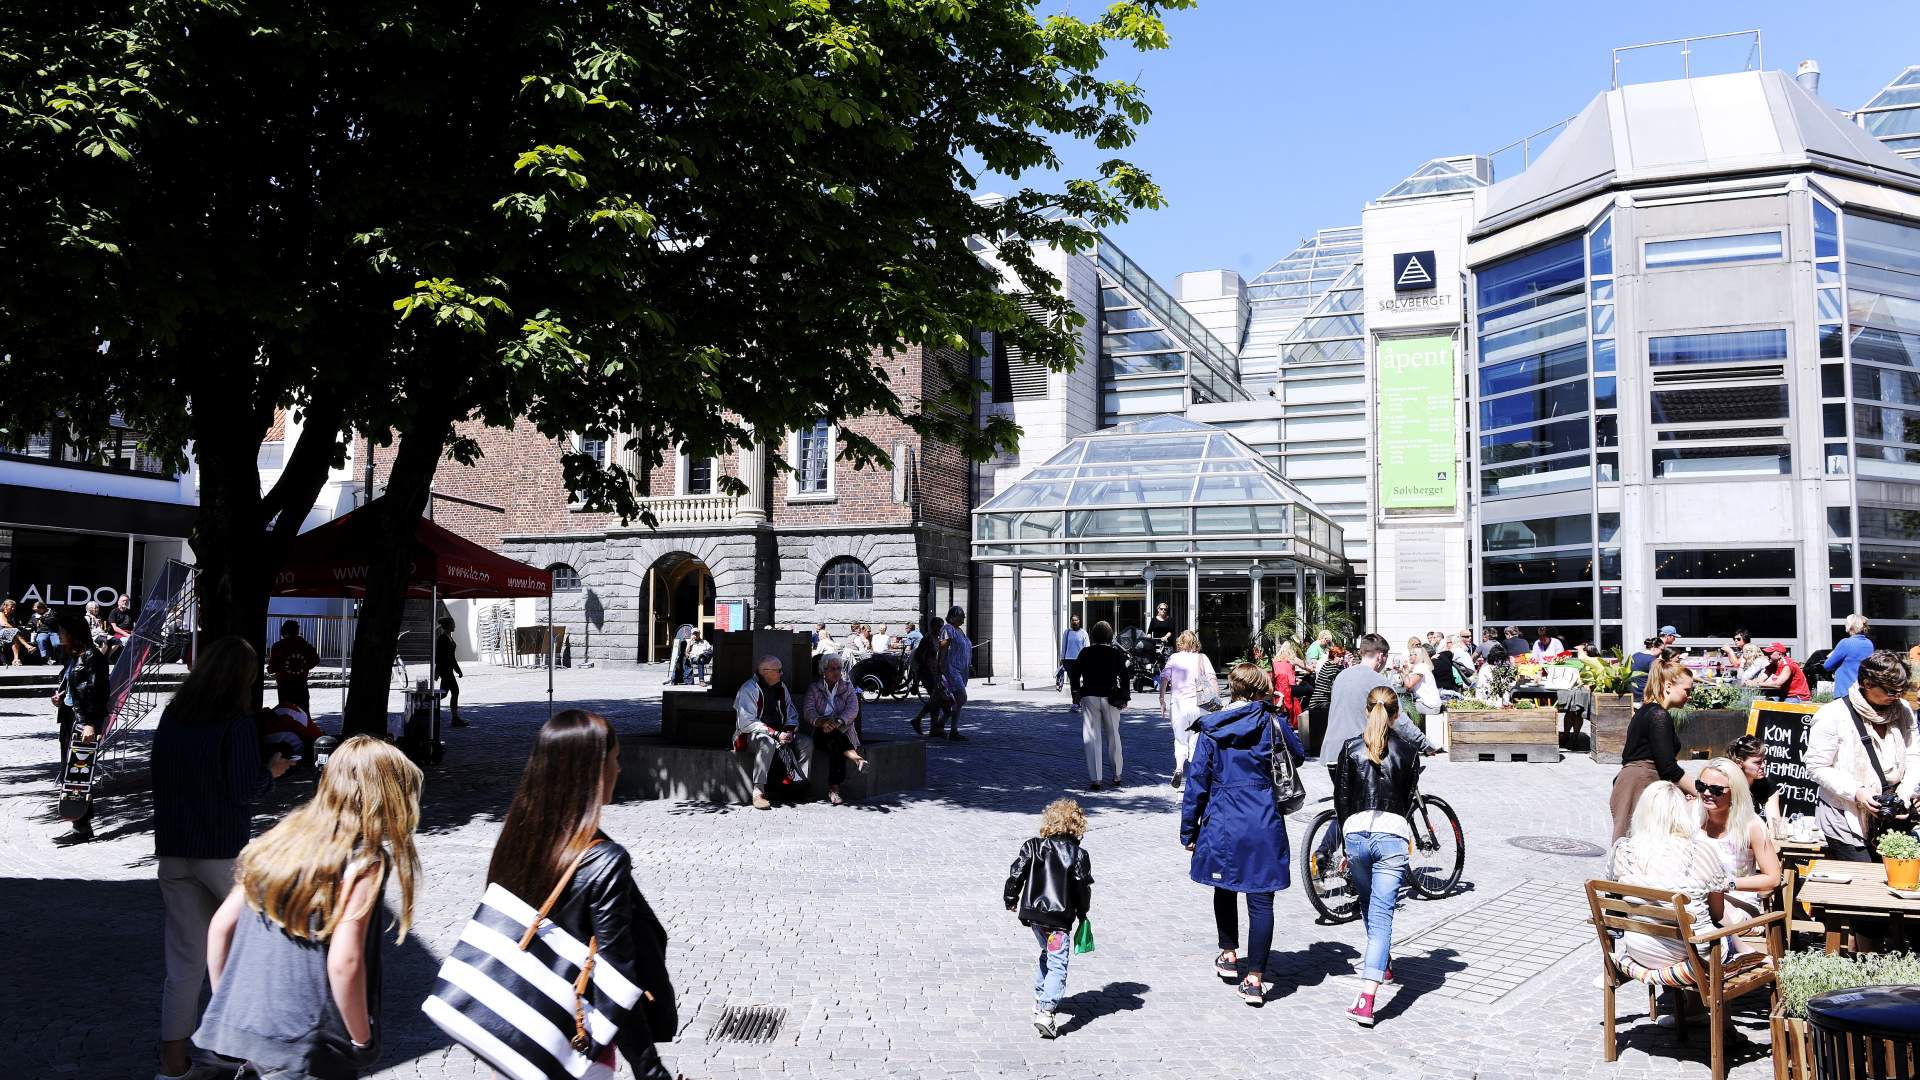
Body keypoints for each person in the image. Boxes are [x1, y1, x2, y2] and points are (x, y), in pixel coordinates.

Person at [196, 736, 423, 1079]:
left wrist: (235, 1010)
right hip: (309, 1046)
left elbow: (221, 926)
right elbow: (345, 961)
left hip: (255, 1037)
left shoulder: (281, 840)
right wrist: (361, 1040)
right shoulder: (365, 860)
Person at [480, 710, 677, 1079]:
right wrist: (650, 1070)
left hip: (516, 1035)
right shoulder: (602, 859)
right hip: (575, 1043)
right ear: (593, 770)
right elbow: (617, 976)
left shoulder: (517, 840)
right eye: (615, 760)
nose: (618, 770)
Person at [151, 637, 292, 1080]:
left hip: (175, 849)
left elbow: (158, 773)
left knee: (183, 963)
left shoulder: (173, 716)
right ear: (242, 678)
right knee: (247, 954)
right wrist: (271, 772)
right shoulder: (236, 723)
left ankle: (173, 1066)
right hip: (222, 852)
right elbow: (242, 790)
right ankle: (238, 1053)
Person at [1180, 663, 1306, 1008]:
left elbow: (1197, 784)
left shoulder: (1212, 728)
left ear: (1232, 688)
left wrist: (1188, 830)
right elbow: (1298, 754)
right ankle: (1255, 980)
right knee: (1261, 899)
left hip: (1223, 819)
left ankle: (1229, 953)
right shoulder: (1272, 723)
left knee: (1225, 886)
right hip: (1263, 818)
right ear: (1261, 688)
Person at [1606, 781, 1755, 994]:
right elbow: (1717, 913)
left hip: (1640, 950)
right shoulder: (1701, 852)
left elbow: (1614, 899)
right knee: (1717, 930)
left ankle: (1691, 1012)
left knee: (1686, 929)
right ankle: (1720, 1019)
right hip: (1694, 957)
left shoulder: (1622, 851)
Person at [1334, 686, 1420, 1027]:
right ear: (1397, 713)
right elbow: (1409, 798)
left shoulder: (1351, 748)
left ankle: (1378, 969)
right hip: (1392, 836)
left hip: (1356, 834)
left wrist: (1344, 844)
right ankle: (1368, 997)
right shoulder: (1409, 750)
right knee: (1381, 913)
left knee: (1370, 906)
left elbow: (1341, 800)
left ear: (1367, 710)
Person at [1805, 650, 1920, 862]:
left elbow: (1914, 755)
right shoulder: (1832, 715)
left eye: (1900, 692)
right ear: (1867, 684)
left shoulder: (1902, 709)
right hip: (1846, 815)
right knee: (1863, 880)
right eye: (1890, 691)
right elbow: (1816, 767)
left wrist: (1905, 793)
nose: (1896, 697)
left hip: (1892, 816)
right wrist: (1857, 791)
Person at [1003, 798, 1094, 1040]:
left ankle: (1040, 996)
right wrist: (1083, 913)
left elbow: (1016, 873)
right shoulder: (1078, 855)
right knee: (1058, 963)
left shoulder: (1033, 846)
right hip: (1059, 919)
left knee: (1048, 953)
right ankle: (1046, 1011)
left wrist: (1010, 899)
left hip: (1034, 916)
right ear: (1077, 826)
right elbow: (1083, 889)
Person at [1610, 656, 1698, 842]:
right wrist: (1700, 791)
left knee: (1631, 845)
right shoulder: (1658, 715)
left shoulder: (1647, 710)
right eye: (1686, 691)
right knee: (1638, 846)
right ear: (1668, 686)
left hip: (1634, 782)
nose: (1689, 696)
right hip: (1641, 784)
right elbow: (1668, 767)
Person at [1324, 634, 1432, 775]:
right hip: (1359, 756)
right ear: (1381, 656)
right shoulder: (1378, 680)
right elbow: (1399, 720)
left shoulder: (1341, 676)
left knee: (1345, 797)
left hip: (1333, 754)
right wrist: (1425, 744)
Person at [1696, 757, 1783, 919]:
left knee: (1701, 913)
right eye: (1701, 786)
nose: (1706, 793)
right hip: (1698, 897)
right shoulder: (1692, 817)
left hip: (1738, 902)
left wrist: (1727, 884)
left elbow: (1773, 878)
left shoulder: (1751, 825)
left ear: (1735, 791)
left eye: (1716, 790)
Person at [51, 611, 111, 844]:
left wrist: (90, 723)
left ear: (74, 634)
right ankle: (79, 823)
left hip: (83, 721)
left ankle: (82, 825)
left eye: (63, 632)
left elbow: (96, 693)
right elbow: (77, 688)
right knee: (71, 770)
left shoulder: (92, 657)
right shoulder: (73, 656)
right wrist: (61, 696)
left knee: (79, 772)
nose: (60, 636)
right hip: (69, 717)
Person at [735, 655, 810, 810]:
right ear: (765, 672)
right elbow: (746, 723)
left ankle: (799, 785)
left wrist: (788, 732)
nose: (781, 674)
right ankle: (758, 792)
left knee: (806, 742)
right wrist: (775, 734)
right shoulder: (749, 689)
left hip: (780, 734)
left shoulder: (782, 688)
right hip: (753, 735)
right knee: (766, 742)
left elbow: (792, 713)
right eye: (779, 671)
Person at [1157, 630, 1219, 790]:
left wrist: (1162, 698)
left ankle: (1179, 768)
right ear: (1194, 643)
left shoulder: (1174, 658)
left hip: (1178, 705)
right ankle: (1194, 774)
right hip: (1199, 705)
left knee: (1179, 739)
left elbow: (1164, 677)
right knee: (1196, 739)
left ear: (1180, 643)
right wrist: (1217, 701)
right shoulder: (1201, 657)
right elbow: (1212, 678)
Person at [805, 654, 869, 806]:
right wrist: (821, 722)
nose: (836, 672)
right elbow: (808, 711)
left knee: (836, 744)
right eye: (832, 669)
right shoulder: (815, 688)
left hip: (843, 730)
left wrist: (839, 721)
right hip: (820, 731)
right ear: (823, 670)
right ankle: (857, 759)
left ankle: (834, 790)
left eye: (839, 669)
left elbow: (853, 709)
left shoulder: (847, 687)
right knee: (832, 736)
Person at [1072, 620, 1129, 789]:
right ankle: (1117, 774)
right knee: (1113, 735)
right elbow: (1124, 676)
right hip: (1110, 697)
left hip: (1089, 695)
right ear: (1110, 636)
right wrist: (1124, 697)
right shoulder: (1115, 653)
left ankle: (1096, 778)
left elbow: (1075, 674)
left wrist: (1076, 693)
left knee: (1092, 736)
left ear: (1093, 635)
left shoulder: (1085, 652)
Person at [935, 606, 973, 741]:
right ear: (952, 617)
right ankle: (946, 726)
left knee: (957, 700)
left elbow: (964, 649)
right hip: (952, 669)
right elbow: (943, 648)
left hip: (962, 670)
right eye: (961, 615)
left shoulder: (960, 630)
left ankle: (947, 728)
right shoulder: (948, 629)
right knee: (961, 698)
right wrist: (940, 666)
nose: (964, 618)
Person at [266, 619, 321, 715]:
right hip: (301, 684)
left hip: (284, 685)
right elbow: (316, 659)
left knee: (286, 714)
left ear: (284, 632)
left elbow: (272, 668)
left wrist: (270, 668)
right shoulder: (305, 645)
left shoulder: (278, 646)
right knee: (303, 713)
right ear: (297, 631)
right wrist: (305, 667)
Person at [1727, 734, 1785, 822]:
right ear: (1739, 762)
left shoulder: (1767, 786)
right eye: (1758, 762)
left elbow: (1774, 825)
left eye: (1764, 760)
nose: (1764, 765)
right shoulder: (1726, 786)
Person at [1401, 644, 1445, 751]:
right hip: (1429, 704)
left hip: (1429, 705)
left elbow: (1409, 685)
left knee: (1403, 708)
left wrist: (1403, 672)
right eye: (1410, 654)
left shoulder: (1420, 667)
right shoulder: (1422, 667)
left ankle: (1410, 741)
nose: (1410, 657)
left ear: (1419, 656)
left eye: (1413, 655)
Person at [1305, 644, 1346, 757]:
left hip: (1318, 702)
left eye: (1342, 656)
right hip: (1319, 703)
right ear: (1333, 656)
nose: (1341, 659)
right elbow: (1337, 688)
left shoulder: (1328, 665)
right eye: (1339, 656)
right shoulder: (1331, 668)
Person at [1825, 615, 1875, 699]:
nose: (1845, 625)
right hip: (1862, 692)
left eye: (1846, 623)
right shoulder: (1869, 644)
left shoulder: (1845, 643)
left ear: (1851, 626)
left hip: (1845, 692)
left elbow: (1827, 665)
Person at [436, 616, 465, 727]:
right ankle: (455, 718)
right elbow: (439, 656)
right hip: (445, 670)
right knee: (455, 691)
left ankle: (428, 704)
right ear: (448, 626)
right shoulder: (442, 639)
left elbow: (452, 657)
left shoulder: (448, 637)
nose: (455, 626)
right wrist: (437, 671)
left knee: (443, 693)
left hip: (448, 669)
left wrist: (457, 670)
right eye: (453, 624)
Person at [1057, 615, 1088, 701]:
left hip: (1080, 660)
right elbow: (1063, 646)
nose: (1074, 622)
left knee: (1080, 680)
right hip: (1068, 660)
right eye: (1073, 620)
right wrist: (1062, 659)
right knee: (1073, 681)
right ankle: (1075, 701)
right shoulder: (1067, 632)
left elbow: (1087, 647)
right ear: (1070, 622)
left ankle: (1081, 697)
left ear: (1079, 621)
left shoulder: (1084, 633)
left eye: (1076, 620)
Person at [1271, 640, 1303, 719]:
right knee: (1309, 689)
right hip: (1290, 687)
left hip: (1278, 688)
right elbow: (1306, 666)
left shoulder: (1275, 660)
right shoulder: (1292, 659)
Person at [0, 598, 34, 665]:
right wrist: (15, 629)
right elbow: (4, 624)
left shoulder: (11, 615)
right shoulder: (1, 613)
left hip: (7, 633)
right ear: (5, 606)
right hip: (1, 632)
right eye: (11, 606)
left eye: (14, 607)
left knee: (15, 638)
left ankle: (16, 659)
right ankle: (27, 646)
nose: (13, 608)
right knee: (15, 631)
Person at [1627, 636, 1660, 703]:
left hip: (1632, 694)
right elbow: (1655, 679)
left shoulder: (1635, 655)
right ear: (1654, 647)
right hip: (1644, 696)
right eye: (1661, 650)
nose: (1661, 653)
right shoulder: (1652, 659)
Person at [29, 600, 61, 664]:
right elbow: (31, 624)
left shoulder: (52, 612)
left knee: (57, 644)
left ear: (42, 608)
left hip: (53, 631)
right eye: (35, 610)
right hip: (42, 631)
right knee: (41, 639)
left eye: (37, 610)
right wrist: (28, 627)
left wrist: (42, 618)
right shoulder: (34, 615)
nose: (36, 611)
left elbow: (53, 621)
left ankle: (55, 657)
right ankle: (46, 658)